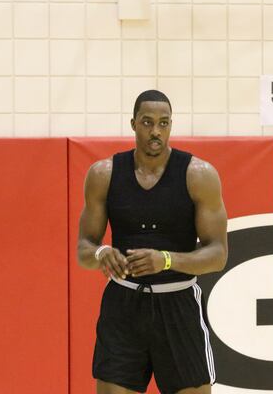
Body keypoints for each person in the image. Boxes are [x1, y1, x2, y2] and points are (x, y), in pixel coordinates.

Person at [77, 89, 228, 394]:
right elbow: (84, 248)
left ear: (171, 125)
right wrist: (103, 253)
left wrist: (167, 259)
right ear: (133, 124)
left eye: (164, 123)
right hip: (124, 305)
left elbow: (218, 254)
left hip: (178, 303)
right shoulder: (103, 174)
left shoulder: (198, 175)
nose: (156, 131)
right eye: (147, 122)